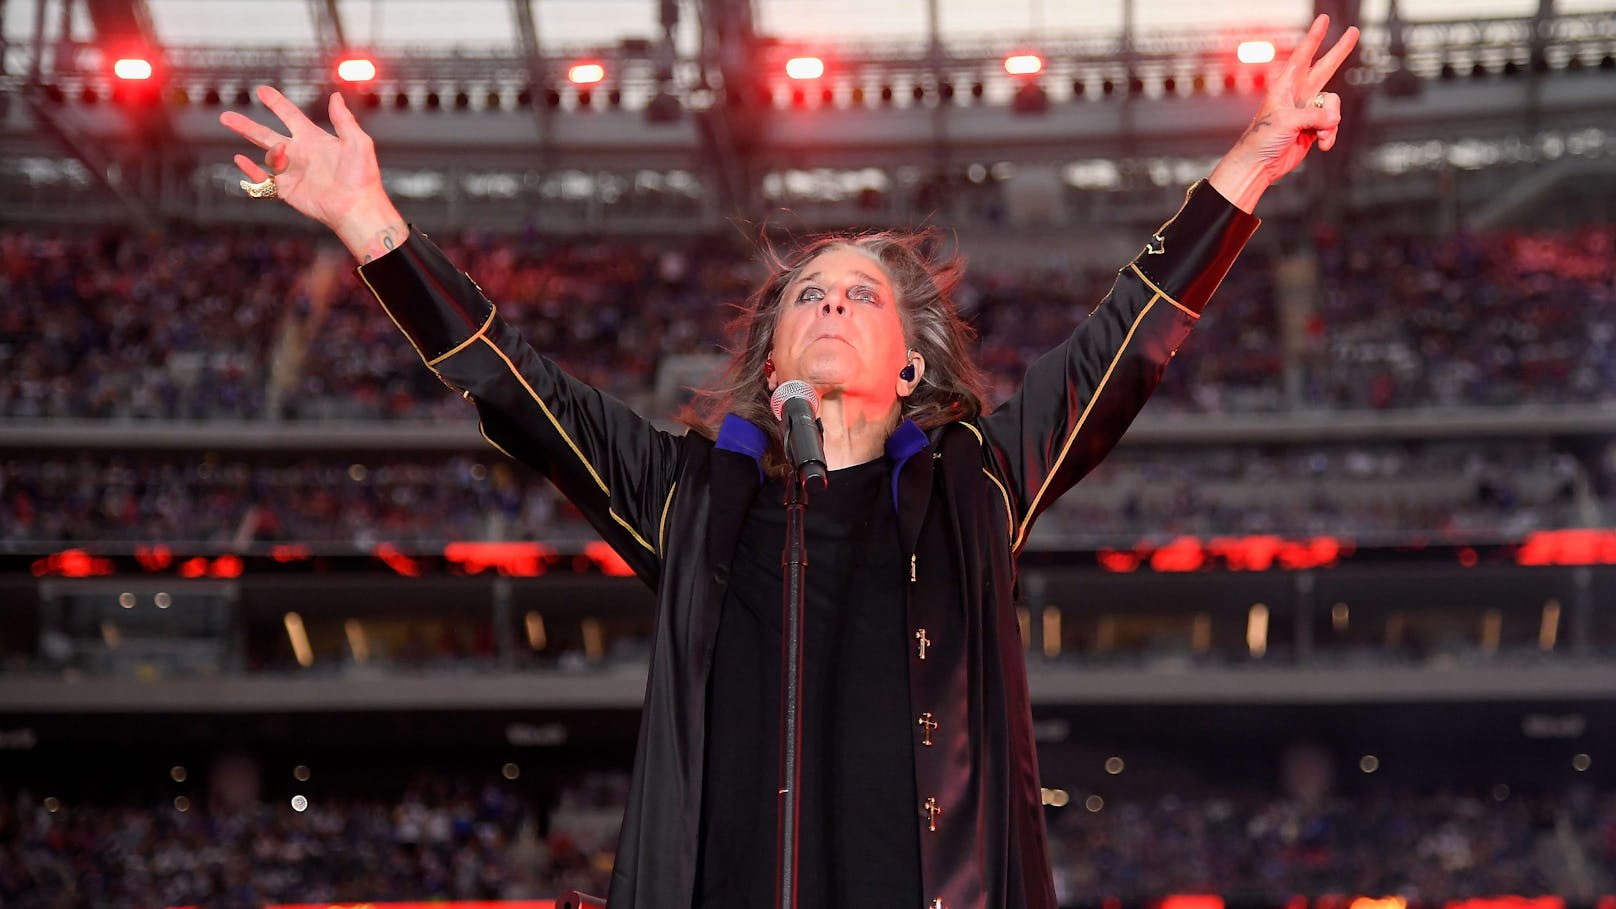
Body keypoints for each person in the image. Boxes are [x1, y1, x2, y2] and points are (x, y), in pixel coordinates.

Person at [221, 15, 1357, 909]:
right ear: (771, 362)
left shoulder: (977, 485)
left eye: (859, 292)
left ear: (911, 366)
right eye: (807, 291)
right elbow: (515, 390)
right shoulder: (686, 499)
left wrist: (1247, 169)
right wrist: (372, 224)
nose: (828, 300)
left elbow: (1126, 340)